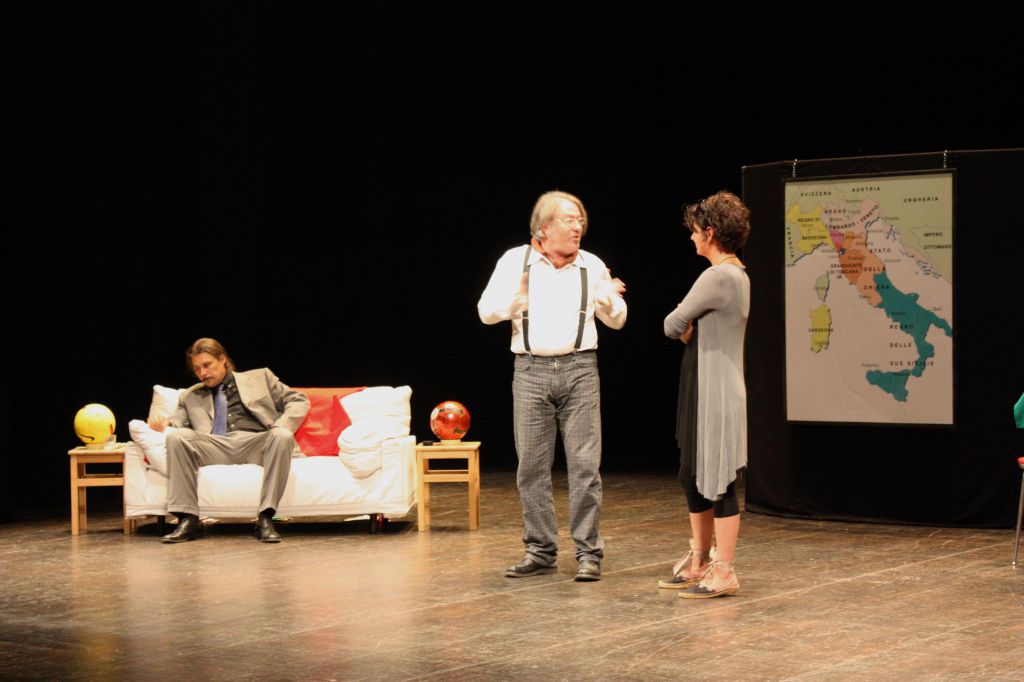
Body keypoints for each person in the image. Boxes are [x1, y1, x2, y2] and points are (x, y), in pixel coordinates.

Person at [478, 190, 627, 582]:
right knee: (531, 467)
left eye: (580, 220)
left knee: (585, 466)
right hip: (530, 371)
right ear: (543, 227)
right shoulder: (515, 261)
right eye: (569, 220)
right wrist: (515, 303)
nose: (578, 227)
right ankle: (540, 551)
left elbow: (618, 320)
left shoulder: (592, 265)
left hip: (580, 369)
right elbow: (485, 312)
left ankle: (588, 552)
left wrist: (607, 299)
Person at [660, 190, 751, 598]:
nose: (692, 236)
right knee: (693, 474)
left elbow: (671, 323)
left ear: (710, 232)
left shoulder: (719, 276)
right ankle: (700, 559)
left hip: (716, 390)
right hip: (703, 384)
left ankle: (724, 569)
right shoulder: (735, 275)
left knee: (719, 480)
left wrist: (684, 327)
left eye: (696, 230)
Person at [147, 338, 310, 544]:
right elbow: (177, 422)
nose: (203, 373)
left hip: (256, 443)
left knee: (283, 435)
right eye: (197, 369)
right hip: (217, 445)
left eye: (207, 365)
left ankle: (266, 518)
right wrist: (163, 422)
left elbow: (298, 400)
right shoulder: (190, 395)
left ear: (222, 359)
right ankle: (188, 519)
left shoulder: (260, 377)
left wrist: (281, 426)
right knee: (177, 437)